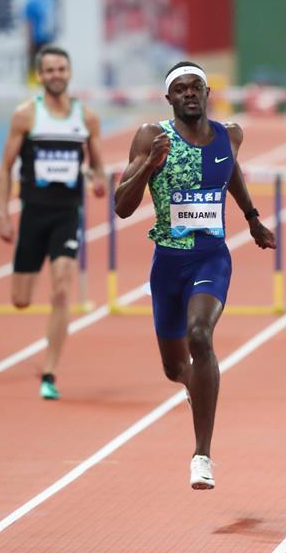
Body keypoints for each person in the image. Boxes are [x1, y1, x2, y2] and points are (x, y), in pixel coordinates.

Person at [114, 61, 275, 489]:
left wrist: (252, 218)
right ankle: (197, 386)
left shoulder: (230, 135)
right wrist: (148, 166)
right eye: (180, 89)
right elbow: (121, 205)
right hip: (168, 263)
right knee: (173, 368)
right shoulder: (152, 137)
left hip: (211, 258)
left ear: (207, 93)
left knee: (200, 335)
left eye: (196, 87)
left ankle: (201, 455)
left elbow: (231, 170)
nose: (189, 93)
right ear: (169, 98)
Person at [0, 46, 106, 400]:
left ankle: (49, 372)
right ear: (40, 76)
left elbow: (98, 163)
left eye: (61, 68)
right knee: (20, 300)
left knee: (62, 288)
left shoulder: (85, 117)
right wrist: (2, 213)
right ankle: (46, 363)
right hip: (33, 215)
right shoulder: (26, 115)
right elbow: (4, 167)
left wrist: (99, 179)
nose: (56, 75)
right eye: (50, 70)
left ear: (69, 73)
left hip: (66, 214)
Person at [24, 0, 59, 84]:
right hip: (36, 39)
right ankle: (31, 85)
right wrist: (29, 40)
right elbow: (29, 21)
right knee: (34, 63)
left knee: (48, 63)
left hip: (48, 38)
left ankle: (45, 84)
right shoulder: (32, 0)